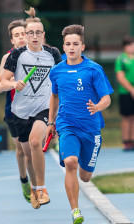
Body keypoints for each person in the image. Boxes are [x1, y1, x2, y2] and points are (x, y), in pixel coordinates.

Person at [46, 24, 113, 224]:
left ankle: (86, 167)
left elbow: (107, 99)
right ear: (63, 46)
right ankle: (75, 210)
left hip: (91, 128)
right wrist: (51, 121)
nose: (71, 47)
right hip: (66, 124)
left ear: (82, 46)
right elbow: (54, 97)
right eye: (68, 44)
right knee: (70, 163)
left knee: (85, 177)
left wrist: (97, 107)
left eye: (76, 44)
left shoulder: (94, 69)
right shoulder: (57, 71)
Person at [0, 7, 61, 209]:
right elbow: (0, 85)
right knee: (27, 154)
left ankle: (42, 188)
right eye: (30, 33)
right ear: (25, 36)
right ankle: (34, 188)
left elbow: (62, 80)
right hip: (20, 112)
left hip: (44, 109)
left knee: (36, 142)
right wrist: (13, 84)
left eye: (38, 33)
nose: (34, 36)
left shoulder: (52, 54)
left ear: (43, 35)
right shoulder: (16, 55)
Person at [0, 19, 32, 203]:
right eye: (16, 35)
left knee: (32, 145)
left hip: (35, 108)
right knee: (21, 149)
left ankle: (38, 185)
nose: (21, 38)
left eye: (23, 33)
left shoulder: (39, 55)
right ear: (12, 40)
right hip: (14, 110)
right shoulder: (7, 58)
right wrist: (13, 84)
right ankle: (24, 178)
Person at [115, 36, 134, 151]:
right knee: (127, 116)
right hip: (126, 92)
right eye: (131, 45)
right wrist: (131, 89)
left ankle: (132, 140)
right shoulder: (121, 59)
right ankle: (126, 141)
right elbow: (120, 77)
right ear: (125, 46)